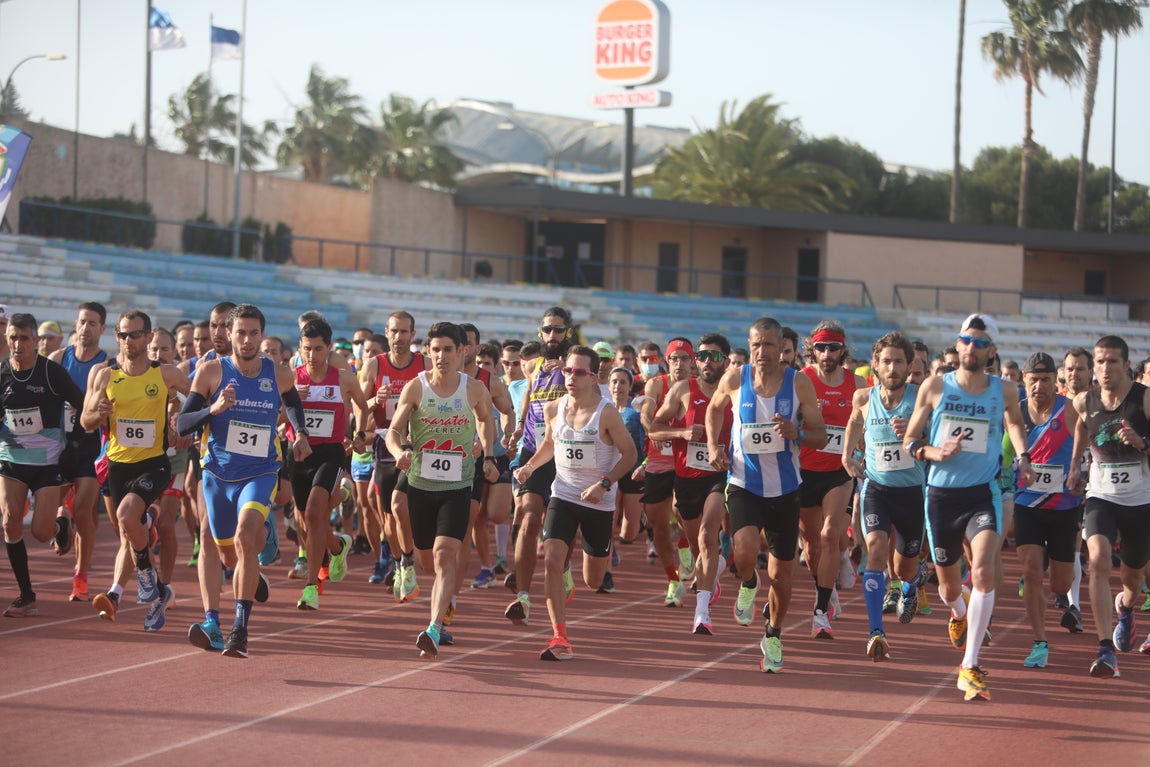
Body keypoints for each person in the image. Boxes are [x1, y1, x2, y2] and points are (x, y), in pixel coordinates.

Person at [902, 313, 1033, 701]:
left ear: (991, 350)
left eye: (979, 342)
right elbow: (911, 441)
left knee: (983, 570)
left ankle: (969, 665)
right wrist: (934, 451)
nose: (971, 348)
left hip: (983, 493)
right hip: (942, 495)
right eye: (966, 340)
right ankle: (958, 614)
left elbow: (1014, 424)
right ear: (957, 345)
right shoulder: (934, 387)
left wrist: (1023, 456)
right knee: (947, 588)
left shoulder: (1004, 391)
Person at [177, 304, 310, 657]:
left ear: (261, 335)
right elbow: (182, 424)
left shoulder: (280, 375)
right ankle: (212, 623)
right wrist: (213, 409)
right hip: (218, 473)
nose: (247, 339)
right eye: (241, 332)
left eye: (254, 333)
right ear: (229, 334)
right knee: (220, 546)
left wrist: (300, 434)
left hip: (260, 471)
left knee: (243, 536)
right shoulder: (209, 373)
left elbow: (294, 406)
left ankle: (239, 628)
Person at [706, 317, 827, 673]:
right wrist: (714, 445)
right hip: (744, 483)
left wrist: (798, 433)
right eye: (756, 344)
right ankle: (747, 581)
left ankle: (773, 633)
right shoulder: (734, 377)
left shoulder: (799, 383)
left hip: (786, 490)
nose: (762, 352)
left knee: (782, 577)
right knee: (743, 551)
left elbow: (820, 435)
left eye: (769, 345)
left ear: (781, 348)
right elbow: (714, 408)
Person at [514, 345, 637, 660]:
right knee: (551, 561)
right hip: (564, 494)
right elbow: (547, 445)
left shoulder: (606, 413)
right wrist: (530, 466)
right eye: (568, 370)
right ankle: (559, 637)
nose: (570, 377)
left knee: (593, 580)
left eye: (579, 372)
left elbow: (631, 454)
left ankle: (577, 568)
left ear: (593, 377)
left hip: (599, 501)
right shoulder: (554, 408)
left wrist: (604, 483)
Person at [385, 321, 499, 660]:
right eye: (435, 349)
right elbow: (393, 430)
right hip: (420, 483)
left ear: (462, 351)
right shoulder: (416, 388)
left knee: (444, 555)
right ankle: (432, 590)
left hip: (458, 485)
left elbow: (485, 419)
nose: (441, 356)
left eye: (448, 349)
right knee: (425, 561)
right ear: (427, 352)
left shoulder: (474, 388)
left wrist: (487, 451)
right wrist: (399, 453)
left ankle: (433, 627)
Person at [81, 311, 190, 631]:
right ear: (117, 337)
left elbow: (198, 397)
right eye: (124, 335)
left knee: (129, 517)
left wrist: (180, 416)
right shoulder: (104, 376)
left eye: (136, 335)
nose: (130, 341)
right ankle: (158, 589)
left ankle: (145, 576)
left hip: (154, 463)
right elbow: (85, 422)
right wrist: (98, 413)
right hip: (117, 465)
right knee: (127, 530)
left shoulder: (165, 374)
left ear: (147, 337)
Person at [1068, 335, 1150, 678]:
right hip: (1101, 496)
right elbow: (1080, 428)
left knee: (1133, 578)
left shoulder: (1144, 399)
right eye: (1099, 362)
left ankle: (1126, 608)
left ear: (1126, 365)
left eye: (1112, 361)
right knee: (1098, 559)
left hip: (1141, 500)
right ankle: (1104, 650)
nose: (1104, 368)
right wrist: (1074, 465)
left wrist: (1143, 443)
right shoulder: (1083, 401)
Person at [842, 332, 925, 662]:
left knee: (904, 567)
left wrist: (916, 434)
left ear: (909, 367)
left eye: (899, 362)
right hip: (876, 489)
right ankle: (876, 631)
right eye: (886, 361)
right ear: (874, 365)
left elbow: (936, 438)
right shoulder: (863, 398)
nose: (892, 368)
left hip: (911, 493)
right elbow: (852, 423)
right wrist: (847, 454)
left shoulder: (921, 399)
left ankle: (912, 583)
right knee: (875, 548)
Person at [1, 313, 85, 617]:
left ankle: (61, 523)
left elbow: (81, 402)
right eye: (12, 337)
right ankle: (26, 595)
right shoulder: (2, 373)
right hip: (11, 458)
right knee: (10, 521)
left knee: (39, 532)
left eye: (24, 338)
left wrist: (73, 446)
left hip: (49, 463)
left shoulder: (51, 373)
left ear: (36, 341)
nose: (17, 344)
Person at [650, 333, 733, 632]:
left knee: (708, 537)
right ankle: (714, 571)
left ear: (725, 359)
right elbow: (655, 430)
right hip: (686, 478)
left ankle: (702, 612)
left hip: (720, 476)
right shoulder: (684, 390)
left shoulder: (736, 391)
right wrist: (681, 434)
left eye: (714, 356)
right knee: (701, 550)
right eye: (702, 356)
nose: (707, 361)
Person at [290, 317, 372, 610]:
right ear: (300, 348)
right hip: (300, 454)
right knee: (307, 521)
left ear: (329, 349)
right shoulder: (291, 377)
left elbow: (363, 406)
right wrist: (288, 402)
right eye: (307, 349)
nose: (312, 356)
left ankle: (311, 587)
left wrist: (359, 434)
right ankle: (338, 547)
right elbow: (274, 416)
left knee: (314, 512)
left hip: (331, 453)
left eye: (318, 349)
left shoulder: (344, 378)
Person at [1011, 352, 1084, 669]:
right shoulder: (1014, 413)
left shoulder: (1068, 410)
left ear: (1056, 381)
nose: (1039, 386)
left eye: (1045, 380)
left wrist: (1081, 472)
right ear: (1023, 380)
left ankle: (1062, 599)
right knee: (1029, 570)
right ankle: (1039, 641)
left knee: (1059, 585)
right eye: (1033, 380)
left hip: (1064, 507)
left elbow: (1089, 446)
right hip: (1026, 504)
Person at [504, 308, 576, 625]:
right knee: (530, 516)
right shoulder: (535, 368)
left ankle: (565, 566)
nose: (552, 336)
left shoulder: (577, 365)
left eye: (558, 330)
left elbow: (595, 397)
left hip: (567, 457)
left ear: (568, 333)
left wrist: (571, 373)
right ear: (540, 332)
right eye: (547, 330)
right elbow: (529, 397)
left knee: (558, 529)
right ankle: (522, 596)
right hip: (535, 453)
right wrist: (519, 427)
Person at [798, 320, 867, 639]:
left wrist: (865, 454)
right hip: (802, 472)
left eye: (833, 347)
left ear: (843, 350)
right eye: (821, 347)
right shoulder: (802, 380)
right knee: (811, 546)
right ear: (812, 349)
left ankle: (820, 612)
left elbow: (866, 429)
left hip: (840, 473)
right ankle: (826, 588)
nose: (827, 353)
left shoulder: (858, 384)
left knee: (828, 535)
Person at [358, 309, 428, 595]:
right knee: (387, 517)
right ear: (386, 333)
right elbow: (360, 408)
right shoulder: (374, 365)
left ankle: (409, 561)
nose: (398, 337)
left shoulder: (424, 364)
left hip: (416, 446)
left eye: (404, 332)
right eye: (393, 331)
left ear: (412, 334)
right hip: (385, 445)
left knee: (402, 508)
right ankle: (399, 561)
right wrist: (376, 399)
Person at [48, 301, 108, 602]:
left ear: (102, 329)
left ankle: (80, 577)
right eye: (82, 321)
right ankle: (61, 519)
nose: (86, 328)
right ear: (76, 323)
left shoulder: (107, 366)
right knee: (48, 517)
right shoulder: (58, 358)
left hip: (91, 445)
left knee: (85, 510)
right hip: (59, 443)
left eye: (92, 323)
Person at [639, 338, 696, 604]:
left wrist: (674, 434)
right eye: (675, 359)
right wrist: (655, 431)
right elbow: (645, 414)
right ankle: (673, 580)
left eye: (685, 359)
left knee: (679, 509)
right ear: (667, 360)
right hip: (658, 461)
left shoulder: (698, 387)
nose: (680, 364)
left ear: (692, 362)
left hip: (686, 460)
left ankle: (685, 544)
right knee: (657, 526)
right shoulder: (656, 384)